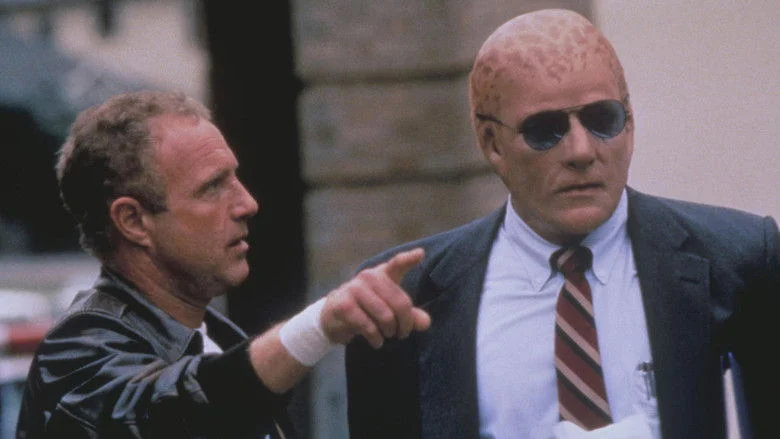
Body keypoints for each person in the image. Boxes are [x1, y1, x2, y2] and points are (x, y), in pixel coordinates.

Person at [344, 8, 779, 439]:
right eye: (545, 130)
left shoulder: (737, 259)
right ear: (492, 144)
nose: (581, 150)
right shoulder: (407, 295)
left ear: (630, 123)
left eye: (602, 119)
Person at [15, 90, 431, 438]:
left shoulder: (221, 338)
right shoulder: (76, 354)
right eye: (213, 187)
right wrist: (320, 324)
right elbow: (170, 413)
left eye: (234, 178)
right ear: (133, 221)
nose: (247, 203)